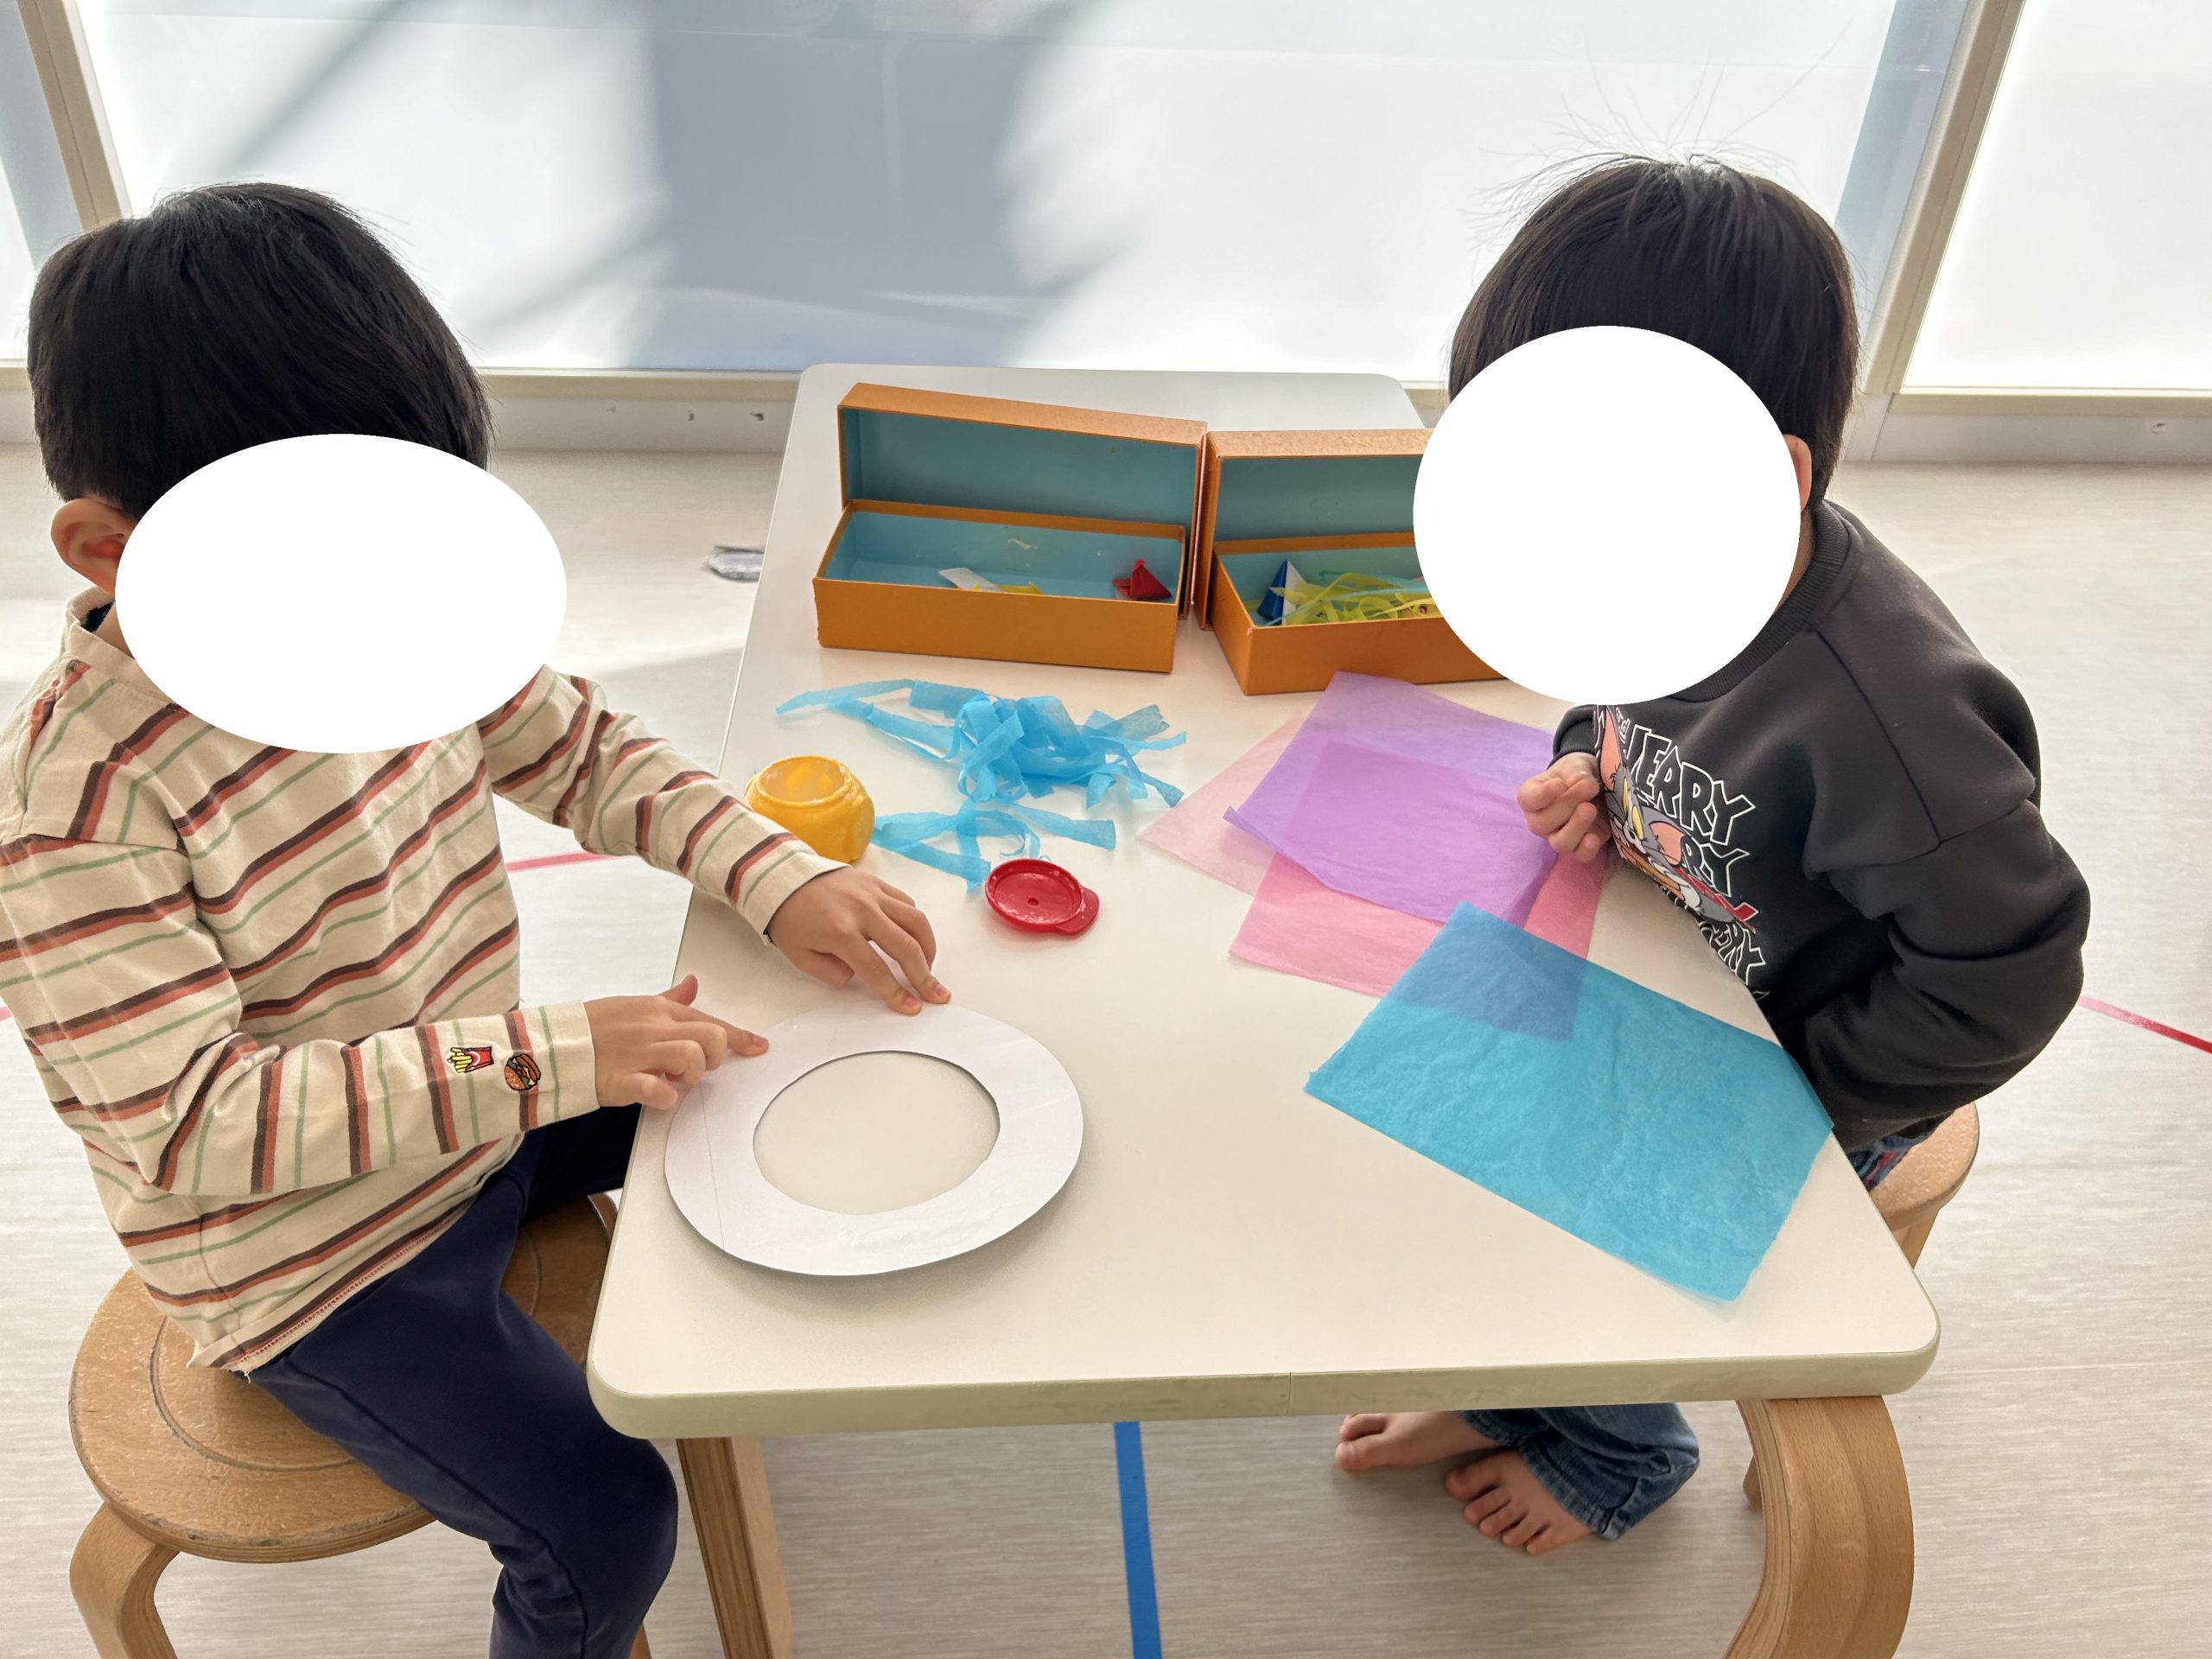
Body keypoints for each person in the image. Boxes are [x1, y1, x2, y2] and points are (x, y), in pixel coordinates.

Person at [1, 181, 949, 1658]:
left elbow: (580, 746)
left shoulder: (398, 616)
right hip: (312, 1257)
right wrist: (547, 1058)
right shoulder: (81, 810)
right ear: (109, 551)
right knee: (606, 1521)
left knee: (779, 1071)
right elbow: (188, 1130)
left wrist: (770, 869)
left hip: (475, 1121)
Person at [1335, 156, 2090, 1554]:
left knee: (1617, 1234)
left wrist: (1804, 1088)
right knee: (1463, 1124)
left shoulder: (1892, 720)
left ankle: (1622, 1449)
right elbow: (1616, 696)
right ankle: (1515, 1390)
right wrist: (1590, 767)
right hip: (1683, 969)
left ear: (1767, 482)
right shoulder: (1665, 577)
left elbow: (2013, 974)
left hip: (1817, 1057)